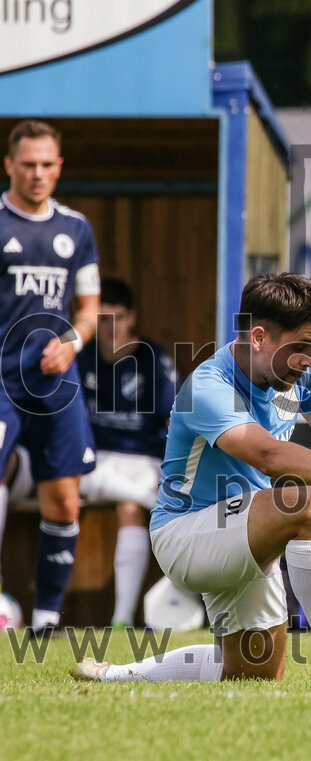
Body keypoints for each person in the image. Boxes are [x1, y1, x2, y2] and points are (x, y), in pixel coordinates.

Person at [71, 273, 311, 682]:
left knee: (254, 674)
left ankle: (114, 676)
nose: (309, 358)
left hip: (244, 530)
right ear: (260, 337)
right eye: (301, 346)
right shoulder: (207, 385)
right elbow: (268, 456)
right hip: (186, 535)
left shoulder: (300, 372)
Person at [0, 119, 100, 636]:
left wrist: (73, 343)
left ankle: (45, 620)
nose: (37, 174)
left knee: (63, 499)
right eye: (28, 164)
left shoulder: (76, 229)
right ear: (9, 166)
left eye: (46, 164)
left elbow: (89, 309)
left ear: (58, 168)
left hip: (54, 381)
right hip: (1, 378)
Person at [76, 277, 178, 628]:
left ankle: (121, 619)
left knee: (131, 507)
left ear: (131, 317)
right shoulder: (81, 358)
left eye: (118, 317)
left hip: (143, 460)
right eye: (103, 319)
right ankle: (154, 500)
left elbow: (175, 419)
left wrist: (175, 468)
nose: (111, 327)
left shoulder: (154, 358)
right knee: (68, 477)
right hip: (95, 459)